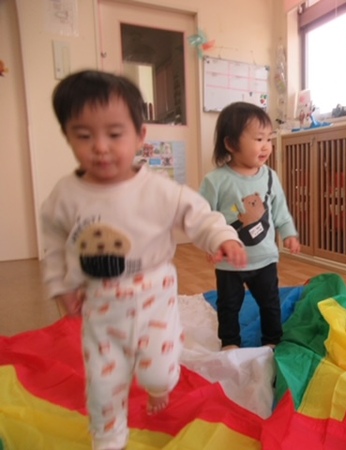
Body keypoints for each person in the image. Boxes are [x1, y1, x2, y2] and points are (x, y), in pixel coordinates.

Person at [41, 69, 247, 450]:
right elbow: (53, 243)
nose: (100, 147)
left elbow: (198, 214)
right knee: (102, 383)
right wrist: (62, 285)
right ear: (68, 136)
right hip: (101, 307)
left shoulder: (157, 190)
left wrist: (222, 237)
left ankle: (159, 384)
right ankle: (108, 437)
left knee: (159, 372)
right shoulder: (65, 196)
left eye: (114, 134)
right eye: (84, 136)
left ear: (139, 136)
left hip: (154, 298)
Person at [200, 101, 301, 351]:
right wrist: (211, 243)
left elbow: (279, 209)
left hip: (264, 258)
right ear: (231, 144)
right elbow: (203, 217)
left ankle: (272, 339)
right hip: (230, 263)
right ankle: (230, 342)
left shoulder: (270, 177)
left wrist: (289, 233)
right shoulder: (216, 181)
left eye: (269, 138)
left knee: (270, 302)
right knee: (228, 304)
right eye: (258, 139)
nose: (266, 145)